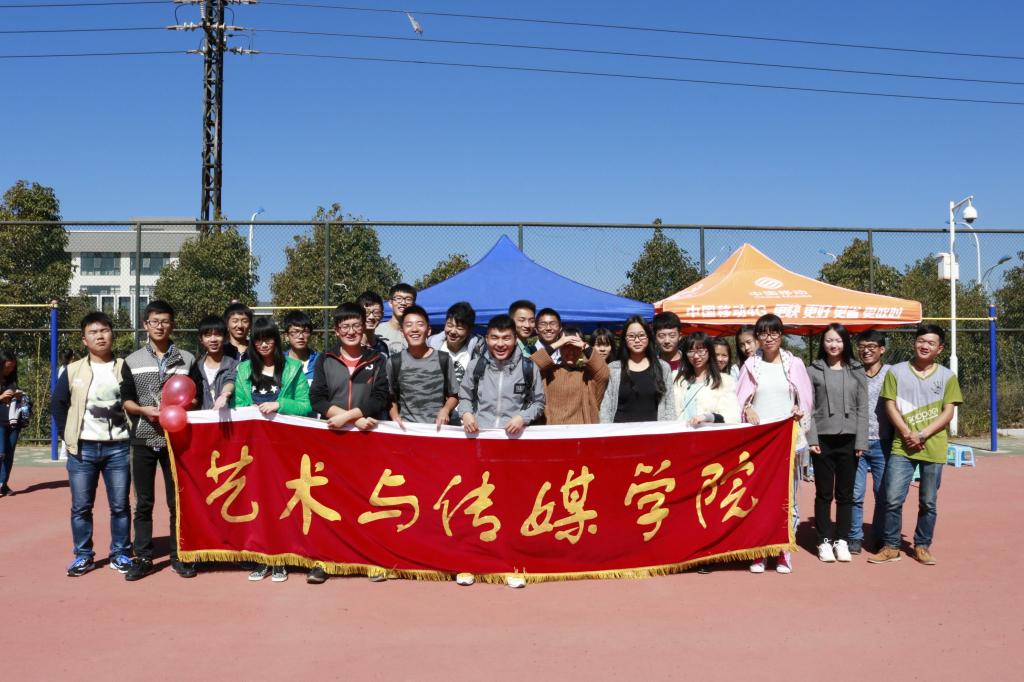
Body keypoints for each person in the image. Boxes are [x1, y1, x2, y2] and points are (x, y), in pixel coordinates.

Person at [120, 300, 203, 581]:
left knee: (177, 500)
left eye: (165, 321)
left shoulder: (187, 359)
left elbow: (197, 396)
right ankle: (143, 557)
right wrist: (144, 410)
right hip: (143, 437)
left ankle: (180, 555)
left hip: (177, 440)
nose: (160, 326)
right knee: (143, 501)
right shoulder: (132, 360)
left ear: (172, 325)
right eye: (154, 321)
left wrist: (181, 407)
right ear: (145, 325)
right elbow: (126, 400)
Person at [308, 303, 389, 584]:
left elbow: (380, 397)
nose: (351, 331)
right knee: (330, 500)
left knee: (368, 501)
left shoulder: (377, 359)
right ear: (336, 331)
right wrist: (345, 419)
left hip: (368, 440)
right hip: (334, 441)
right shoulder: (326, 359)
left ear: (363, 327)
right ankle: (325, 560)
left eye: (356, 325)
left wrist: (353, 417)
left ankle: (371, 561)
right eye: (345, 327)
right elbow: (317, 398)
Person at [869, 324, 962, 567]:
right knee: (892, 499)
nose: (924, 346)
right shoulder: (897, 372)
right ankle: (891, 546)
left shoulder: (947, 376)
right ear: (915, 343)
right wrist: (906, 432)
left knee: (928, 502)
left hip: (934, 447)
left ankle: (922, 546)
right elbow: (889, 405)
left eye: (931, 343)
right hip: (902, 446)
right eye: (921, 341)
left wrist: (923, 434)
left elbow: (948, 411)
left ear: (940, 348)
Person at [51, 312, 132, 577]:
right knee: (81, 507)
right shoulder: (73, 370)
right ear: (84, 339)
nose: (100, 336)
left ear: (112, 334)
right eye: (93, 332)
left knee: (120, 506)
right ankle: (83, 555)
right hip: (82, 449)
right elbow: (58, 404)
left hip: (118, 448)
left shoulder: (124, 366)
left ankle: (120, 553)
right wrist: (68, 436)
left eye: (104, 330)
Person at [235, 318, 313, 583]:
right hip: (255, 448)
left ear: (276, 340)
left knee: (282, 502)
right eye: (258, 339)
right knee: (258, 502)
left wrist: (280, 404)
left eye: (268, 338)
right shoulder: (244, 369)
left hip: (285, 447)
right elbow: (239, 405)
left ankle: (281, 558)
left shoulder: (292, 368)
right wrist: (248, 410)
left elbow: (306, 405)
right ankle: (262, 557)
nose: (263, 344)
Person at [736, 314, 812, 575]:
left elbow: (806, 399)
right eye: (763, 333)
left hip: (787, 441)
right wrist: (747, 409)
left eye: (774, 332)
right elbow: (740, 400)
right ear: (757, 337)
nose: (769, 338)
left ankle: (783, 550)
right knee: (758, 497)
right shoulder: (750, 365)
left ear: (781, 335)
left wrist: (799, 410)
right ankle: (759, 550)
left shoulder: (795, 364)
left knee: (787, 498)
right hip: (759, 444)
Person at [806, 323, 868, 564]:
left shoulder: (856, 369)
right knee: (823, 494)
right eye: (829, 340)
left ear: (845, 343)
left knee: (846, 494)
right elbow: (809, 408)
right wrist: (812, 438)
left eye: (838, 340)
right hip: (822, 440)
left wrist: (861, 440)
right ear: (823, 343)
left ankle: (842, 540)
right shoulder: (813, 370)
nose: (834, 345)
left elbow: (862, 408)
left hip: (849, 440)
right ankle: (823, 540)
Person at [458, 314, 545, 435]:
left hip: (515, 436)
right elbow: (465, 397)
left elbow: (538, 403)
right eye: (495, 338)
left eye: (506, 338)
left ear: (515, 339)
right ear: (487, 339)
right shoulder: (475, 366)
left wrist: (522, 418)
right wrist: (466, 413)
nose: (500, 344)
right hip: (481, 434)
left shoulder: (529, 367)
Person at [851, 330, 893, 554]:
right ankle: (854, 537)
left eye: (871, 347)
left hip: (883, 443)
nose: (866, 351)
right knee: (855, 494)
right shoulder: (853, 372)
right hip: (856, 443)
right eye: (862, 347)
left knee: (882, 494)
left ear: (882, 349)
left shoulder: (891, 373)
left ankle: (879, 536)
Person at [387, 304, 459, 429]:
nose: (414, 329)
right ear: (402, 332)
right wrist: (395, 416)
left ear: (429, 330)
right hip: (406, 429)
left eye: (420, 324)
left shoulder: (443, 359)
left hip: (437, 429)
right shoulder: (394, 362)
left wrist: (446, 409)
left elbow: (454, 395)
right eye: (409, 325)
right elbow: (389, 397)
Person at [599, 316, 675, 423]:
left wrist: (666, 429)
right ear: (625, 339)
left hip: (653, 431)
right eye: (631, 336)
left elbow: (669, 405)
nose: (637, 340)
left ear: (648, 337)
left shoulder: (663, 367)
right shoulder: (613, 368)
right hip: (619, 431)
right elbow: (606, 407)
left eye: (641, 335)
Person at [531, 325, 609, 424]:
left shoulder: (587, 374)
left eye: (576, 347)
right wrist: (556, 344)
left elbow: (603, 372)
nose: (571, 351)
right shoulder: (548, 371)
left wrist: (585, 346)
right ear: (560, 348)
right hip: (551, 430)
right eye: (566, 347)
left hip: (580, 431)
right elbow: (529, 367)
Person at [427, 301, 484, 424]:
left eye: (459, 328)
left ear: (469, 330)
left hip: (468, 417)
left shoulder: (479, 350)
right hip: (436, 416)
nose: (453, 331)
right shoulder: (431, 346)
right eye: (449, 325)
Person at [673, 332, 740, 426]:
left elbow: (733, 417)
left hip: (706, 433)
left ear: (709, 352)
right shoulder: (677, 379)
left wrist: (708, 417)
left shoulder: (725, 382)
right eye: (691, 351)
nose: (696, 356)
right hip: (680, 432)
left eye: (701, 351)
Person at [0, 349, 28, 497]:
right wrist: (1, 396)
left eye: (12, 367)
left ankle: (3, 484)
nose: (9, 370)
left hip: (13, 421)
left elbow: (19, 398)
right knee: (1, 453)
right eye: (7, 367)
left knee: (9, 454)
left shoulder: (12, 378)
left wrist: (18, 395)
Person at [196, 315, 237, 410]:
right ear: (201, 339)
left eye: (218, 334)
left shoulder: (234, 364)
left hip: (227, 417)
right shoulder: (196, 367)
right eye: (208, 335)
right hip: (203, 418)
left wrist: (224, 394)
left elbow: (230, 380)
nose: (213, 339)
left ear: (226, 337)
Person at [282, 310, 320, 384]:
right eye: (296, 332)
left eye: (305, 331)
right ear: (286, 336)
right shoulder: (280, 361)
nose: (301, 336)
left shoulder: (320, 361)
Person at [377, 283, 416, 355]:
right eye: (398, 298)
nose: (403, 303)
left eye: (408, 299)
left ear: (413, 304)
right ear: (390, 303)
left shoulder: (417, 333)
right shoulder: (377, 331)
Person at [357, 291, 391, 358]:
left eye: (376, 313)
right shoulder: (350, 347)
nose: (371, 317)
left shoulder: (383, 347)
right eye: (366, 312)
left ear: (382, 315)